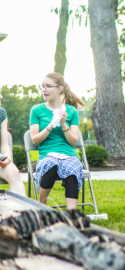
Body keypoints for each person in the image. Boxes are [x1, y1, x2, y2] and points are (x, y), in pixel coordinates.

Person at [30, 73, 86, 209]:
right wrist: (51, 124)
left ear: (59, 89)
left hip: (68, 154)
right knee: (51, 164)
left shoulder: (71, 111)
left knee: (72, 167)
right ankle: (42, 207)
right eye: (43, 86)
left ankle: (72, 215)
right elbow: (35, 140)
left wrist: (63, 124)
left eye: (48, 86)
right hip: (47, 155)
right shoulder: (37, 110)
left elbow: (73, 142)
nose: (44, 89)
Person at [0, 92, 26, 196]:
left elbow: (4, 144)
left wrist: (7, 158)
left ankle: (20, 211)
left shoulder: (1, 113)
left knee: (14, 173)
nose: (1, 96)